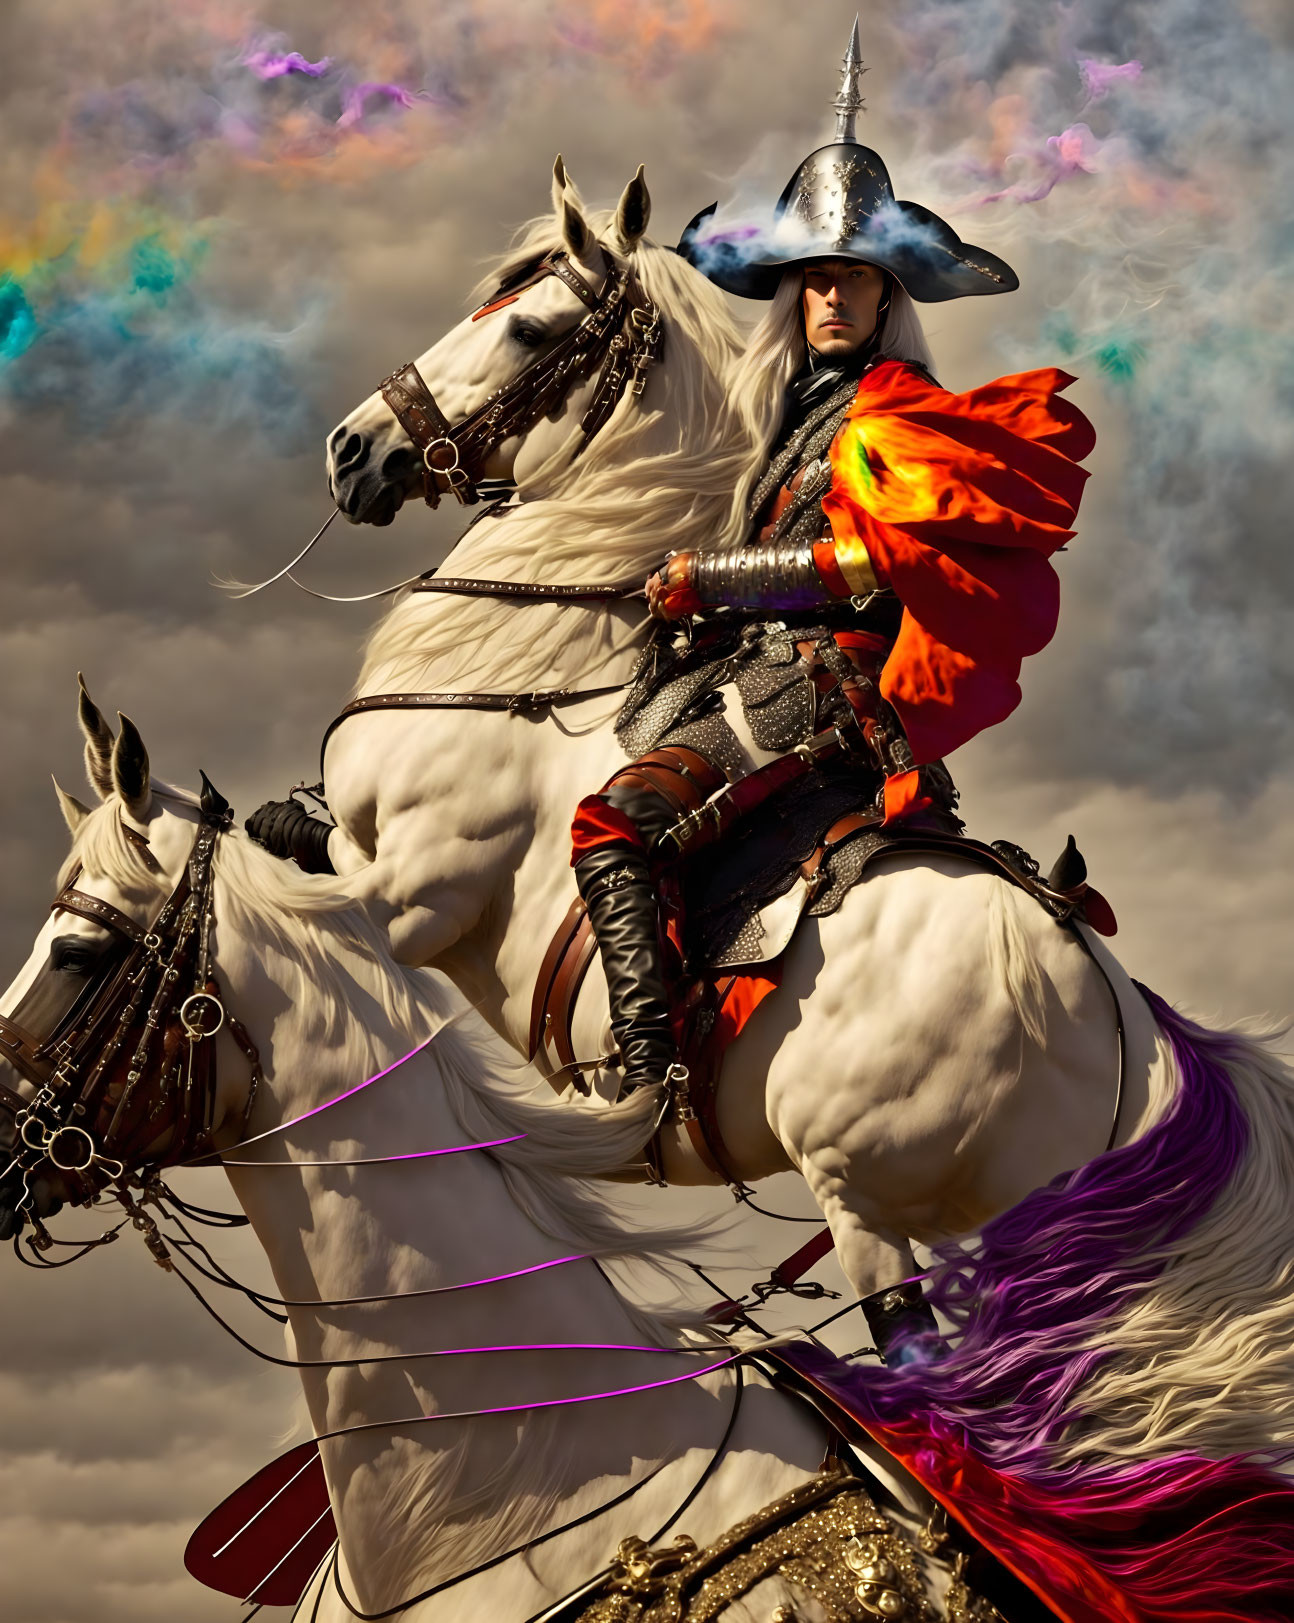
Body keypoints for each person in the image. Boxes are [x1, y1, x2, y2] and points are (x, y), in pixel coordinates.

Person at [569, 28, 1096, 1099]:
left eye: (855, 279)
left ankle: (643, 1069)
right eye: (814, 279)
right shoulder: (786, 418)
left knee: (612, 823)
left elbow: (865, 567)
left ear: (889, 296)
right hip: (765, 674)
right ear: (791, 294)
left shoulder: (892, 411)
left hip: (815, 691)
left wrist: (705, 579)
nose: (833, 298)